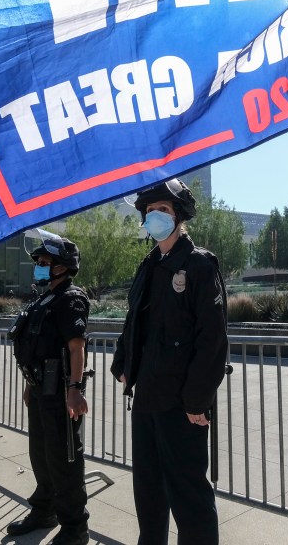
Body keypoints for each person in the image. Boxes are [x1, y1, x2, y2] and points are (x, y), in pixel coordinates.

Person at [111, 179, 229, 545]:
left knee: (189, 496)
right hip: (146, 396)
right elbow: (135, 320)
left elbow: (212, 339)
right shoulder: (149, 265)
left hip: (181, 403)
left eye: (162, 210)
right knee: (148, 491)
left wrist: (197, 400)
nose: (154, 217)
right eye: (149, 212)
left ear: (178, 216)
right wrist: (123, 364)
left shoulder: (198, 264)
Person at [7, 231, 90, 544]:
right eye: (39, 262)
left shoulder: (71, 297)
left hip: (61, 391)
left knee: (65, 460)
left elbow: (76, 346)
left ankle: (74, 527)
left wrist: (75, 387)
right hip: (40, 389)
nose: (40, 266)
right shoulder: (41, 299)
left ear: (63, 266)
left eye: (45, 262)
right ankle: (44, 511)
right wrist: (31, 384)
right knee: (40, 455)